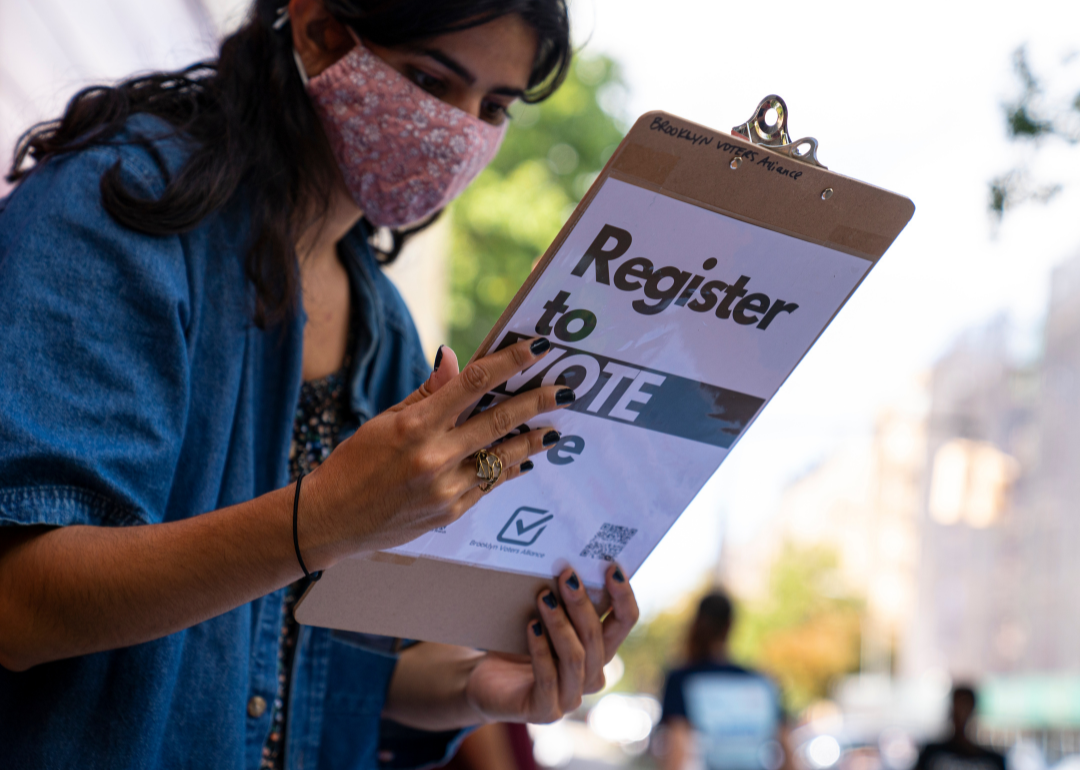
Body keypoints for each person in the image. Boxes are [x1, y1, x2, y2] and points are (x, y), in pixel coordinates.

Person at [0, 0, 640, 768]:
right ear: (318, 29)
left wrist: (478, 688)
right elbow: (19, 603)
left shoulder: (387, 332)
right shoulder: (122, 208)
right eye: (432, 81)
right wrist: (320, 520)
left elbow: (322, 661)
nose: (462, 131)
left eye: (494, 106)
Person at [659, 591, 789, 770]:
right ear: (730, 626)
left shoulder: (683, 680)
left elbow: (677, 751)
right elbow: (787, 751)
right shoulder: (761, 683)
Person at [914, 686, 1005, 770]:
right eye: (958, 708)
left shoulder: (992, 761)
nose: (961, 715)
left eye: (965, 707)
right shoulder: (932, 755)